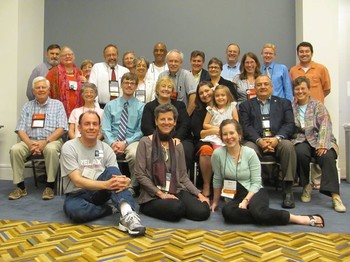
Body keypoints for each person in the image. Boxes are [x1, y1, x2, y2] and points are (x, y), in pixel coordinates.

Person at [210, 119, 324, 227]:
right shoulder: (217, 154)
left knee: (260, 213)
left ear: (239, 135)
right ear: (221, 137)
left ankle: (296, 218)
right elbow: (217, 179)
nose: (229, 137)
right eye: (225, 134)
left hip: (254, 190)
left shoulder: (250, 153)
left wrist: (245, 201)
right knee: (227, 212)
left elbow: (256, 182)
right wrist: (215, 202)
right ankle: (261, 216)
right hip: (234, 193)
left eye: (231, 133)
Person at [61, 111, 145, 236]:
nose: (91, 127)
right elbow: (77, 180)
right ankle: (111, 209)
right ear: (79, 127)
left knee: (112, 172)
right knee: (76, 212)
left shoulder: (106, 148)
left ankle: (128, 214)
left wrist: (124, 180)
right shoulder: (69, 147)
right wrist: (106, 185)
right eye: (87, 124)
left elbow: (115, 175)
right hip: (77, 193)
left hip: (100, 193)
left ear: (99, 128)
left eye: (95, 124)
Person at [135, 103, 210, 222]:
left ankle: (175, 206)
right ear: (156, 121)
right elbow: (140, 174)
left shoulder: (177, 145)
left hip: (175, 190)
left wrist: (199, 194)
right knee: (176, 208)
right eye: (162, 119)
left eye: (170, 119)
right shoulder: (145, 142)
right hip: (152, 195)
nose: (166, 122)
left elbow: (183, 177)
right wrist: (161, 194)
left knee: (203, 211)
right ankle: (163, 207)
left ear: (175, 122)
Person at [239, 75, 297, 209]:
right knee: (248, 149)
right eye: (259, 84)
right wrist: (259, 141)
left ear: (272, 87)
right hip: (255, 141)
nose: (263, 87)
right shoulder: (245, 105)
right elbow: (246, 126)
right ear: (254, 88)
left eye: (266, 84)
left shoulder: (284, 103)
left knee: (288, 146)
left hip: (278, 139)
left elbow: (289, 124)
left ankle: (288, 189)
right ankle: (254, 188)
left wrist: (276, 139)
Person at [291, 76, 346, 213]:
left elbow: (325, 125)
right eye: (297, 89)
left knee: (327, 157)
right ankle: (306, 186)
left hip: (321, 139)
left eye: (303, 88)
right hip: (301, 140)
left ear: (309, 90)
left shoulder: (318, 106)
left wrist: (322, 144)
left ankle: (335, 196)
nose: (300, 91)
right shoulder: (291, 108)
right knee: (299, 152)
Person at [8, 76, 67, 200]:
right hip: (30, 141)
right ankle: (20, 187)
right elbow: (20, 129)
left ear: (48, 89)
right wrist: (30, 144)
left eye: (43, 87)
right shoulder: (27, 106)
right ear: (33, 91)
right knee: (15, 149)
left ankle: (49, 186)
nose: (41, 90)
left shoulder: (58, 105)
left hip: (51, 140)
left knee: (51, 150)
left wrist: (45, 142)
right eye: (37, 88)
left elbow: (61, 128)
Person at [289, 41, 331, 189]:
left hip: (316, 116)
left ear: (311, 53)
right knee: (301, 150)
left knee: (324, 151)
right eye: (301, 51)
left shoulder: (321, 68)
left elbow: (326, 88)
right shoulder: (293, 70)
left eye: (307, 51)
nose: (304, 54)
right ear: (298, 53)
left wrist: (313, 102)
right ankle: (305, 183)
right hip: (301, 126)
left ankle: (319, 182)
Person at [102, 72, 144, 193]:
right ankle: (105, 185)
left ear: (136, 86)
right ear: (121, 84)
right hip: (112, 139)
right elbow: (105, 128)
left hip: (132, 140)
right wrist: (112, 143)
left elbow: (141, 130)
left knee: (136, 154)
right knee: (100, 153)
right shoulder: (110, 105)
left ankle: (132, 185)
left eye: (132, 83)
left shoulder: (142, 107)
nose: (129, 85)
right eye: (126, 82)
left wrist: (125, 143)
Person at [141, 76, 194, 171]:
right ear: (157, 89)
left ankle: (180, 179)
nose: (166, 89)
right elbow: (146, 127)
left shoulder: (180, 105)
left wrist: (176, 138)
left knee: (185, 149)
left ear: (172, 90)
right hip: (155, 138)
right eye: (163, 86)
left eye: (169, 87)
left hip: (179, 138)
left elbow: (185, 124)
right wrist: (160, 140)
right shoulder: (149, 106)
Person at [191, 81, 215, 197]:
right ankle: (206, 184)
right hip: (204, 142)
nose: (204, 95)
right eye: (201, 93)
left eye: (207, 91)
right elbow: (198, 134)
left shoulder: (225, 107)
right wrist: (216, 130)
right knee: (206, 150)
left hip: (225, 141)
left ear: (213, 90)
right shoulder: (198, 112)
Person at [46, 46, 86, 117]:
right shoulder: (53, 72)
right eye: (64, 55)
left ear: (74, 57)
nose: (68, 56)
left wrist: (86, 83)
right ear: (60, 58)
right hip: (58, 112)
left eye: (70, 54)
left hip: (78, 112)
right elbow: (47, 92)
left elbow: (87, 92)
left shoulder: (80, 73)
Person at [89, 44, 129, 108]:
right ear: (104, 56)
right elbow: (92, 88)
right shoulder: (97, 68)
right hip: (101, 106)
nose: (111, 57)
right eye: (108, 55)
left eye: (113, 54)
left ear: (118, 56)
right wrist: (96, 108)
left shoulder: (125, 71)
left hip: (121, 107)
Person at [158, 49, 197, 116]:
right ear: (167, 62)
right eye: (171, 61)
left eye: (176, 61)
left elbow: (193, 98)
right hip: (164, 117)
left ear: (181, 63)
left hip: (182, 116)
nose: (173, 64)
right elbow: (158, 95)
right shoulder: (162, 75)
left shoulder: (187, 75)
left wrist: (186, 117)